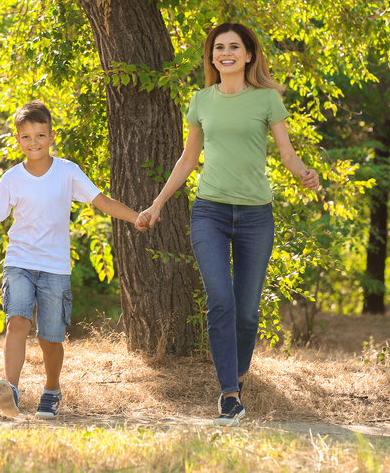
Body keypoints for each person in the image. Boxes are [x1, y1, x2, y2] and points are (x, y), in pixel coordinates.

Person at [136, 22, 319, 427]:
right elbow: (187, 159)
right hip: (210, 212)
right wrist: (158, 203)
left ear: (249, 55)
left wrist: (306, 173)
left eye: (234, 47)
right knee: (221, 300)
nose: (226, 53)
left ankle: (236, 377)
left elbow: (288, 154)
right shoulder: (201, 100)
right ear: (212, 57)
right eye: (219, 48)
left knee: (247, 313)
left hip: (256, 216)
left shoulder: (267, 99)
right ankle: (229, 394)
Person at [0, 100, 140, 420]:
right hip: (19, 261)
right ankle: (11, 390)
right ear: (17, 139)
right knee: (17, 321)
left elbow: (103, 202)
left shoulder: (68, 172)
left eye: (40, 135)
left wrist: (136, 217)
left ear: (51, 136)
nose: (34, 143)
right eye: (26, 137)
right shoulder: (12, 178)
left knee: (50, 337)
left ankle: (52, 389)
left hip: (55, 267)